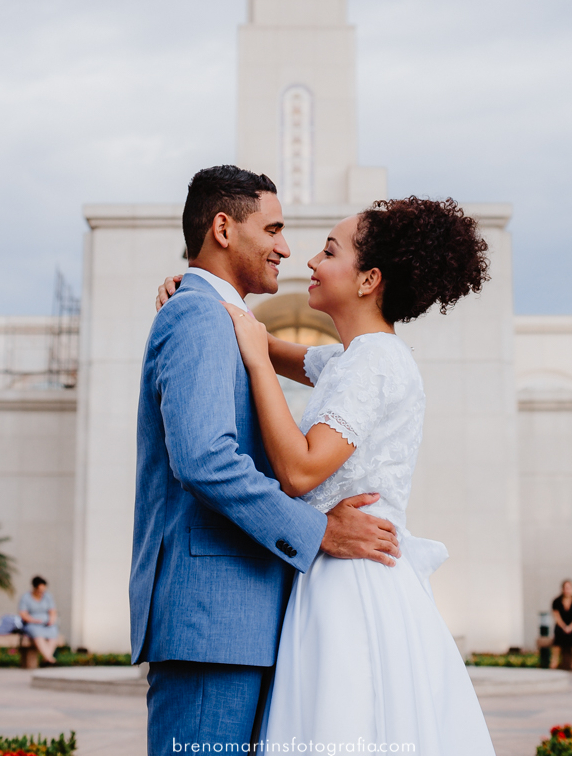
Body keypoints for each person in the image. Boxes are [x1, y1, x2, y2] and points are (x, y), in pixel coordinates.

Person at [157, 193, 495, 755]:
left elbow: (299, 471)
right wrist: (194, 291)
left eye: (329, 251)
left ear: (368, 281)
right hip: (344, 570)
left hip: (352, 581)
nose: (310, 261)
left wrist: (258, 360)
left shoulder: (373, 363)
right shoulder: (355, 358)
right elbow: (260, 340)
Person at [131, 166, 403, 758]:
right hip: (213, 624)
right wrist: (320, 531)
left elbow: (303, 363)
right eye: (275, 228)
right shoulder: (199, 315)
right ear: (223, 229)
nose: (288, 248)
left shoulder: (224, 317)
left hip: (243, 619)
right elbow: (205, 461)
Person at [18, 576, 59, 664]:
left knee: (53, 632)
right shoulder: (26, 597)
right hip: (32, 624)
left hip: (46, 623)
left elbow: (52, 611)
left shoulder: (48, 596)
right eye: (39, 591)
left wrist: (51, 620)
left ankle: (47, 658)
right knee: (38, 634)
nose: (41, 593)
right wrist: (34, 620)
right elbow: (23, 614)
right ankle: (50, 658)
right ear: (34, 588)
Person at [550, 579, 572, 670]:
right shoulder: (556, 601)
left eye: (569, 588)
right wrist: (564, 627)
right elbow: (557, 617)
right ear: (562, 589)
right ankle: (554, 662)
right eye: (565, 588)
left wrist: (570, 627)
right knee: (558, 637)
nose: (567, 590)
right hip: (561, 626)